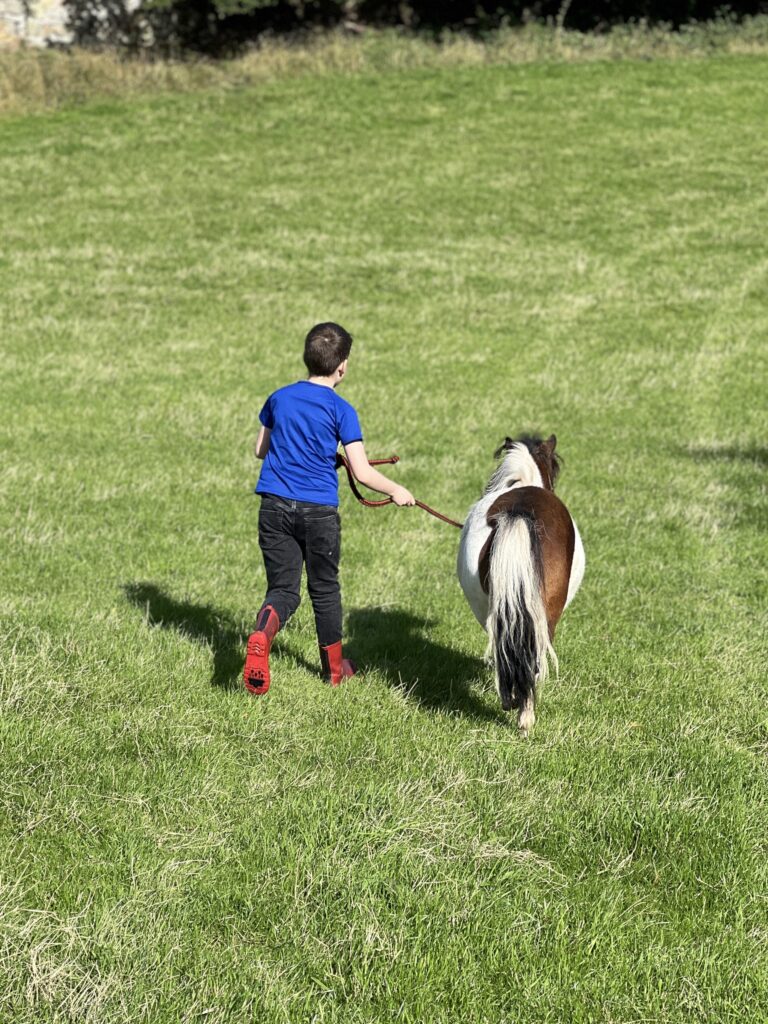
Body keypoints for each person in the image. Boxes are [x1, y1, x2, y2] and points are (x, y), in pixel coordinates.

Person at [243, 322, 415, 695]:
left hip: (274, 506)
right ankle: (335, 671)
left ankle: (261, 634)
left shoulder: (279, 397)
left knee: (284, 590)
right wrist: (398, 490)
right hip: (317, 512)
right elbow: (363, 471)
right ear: (343, 367)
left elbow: (261, 450)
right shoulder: (342, 409)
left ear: (307, 358)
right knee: (324, 589)